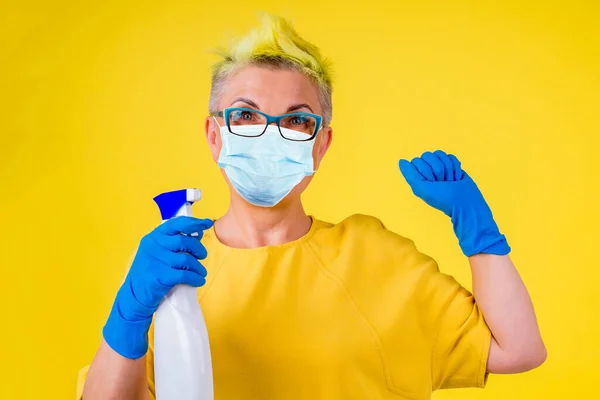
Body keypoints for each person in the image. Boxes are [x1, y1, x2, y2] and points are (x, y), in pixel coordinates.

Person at [78, 14, 546, 400]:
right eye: (245, 115)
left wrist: (477, 228)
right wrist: (129, 314)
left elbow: (518, 349)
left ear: (320, 145)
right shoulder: (172, 268)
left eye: (297, 121)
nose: (269, 134)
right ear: (214, 134)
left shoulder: (375, 257)